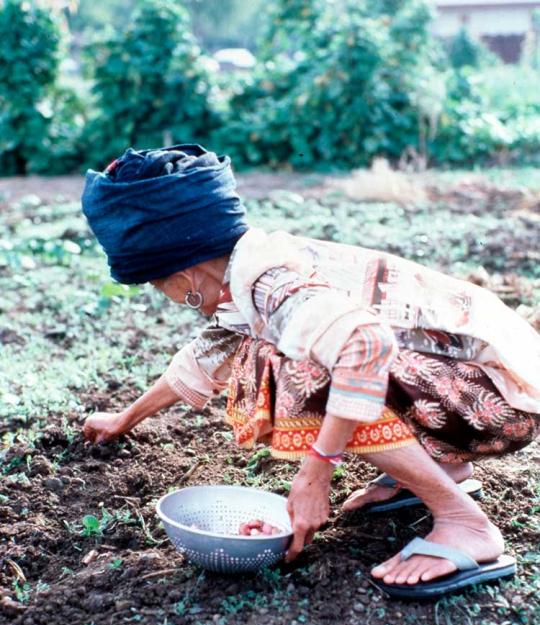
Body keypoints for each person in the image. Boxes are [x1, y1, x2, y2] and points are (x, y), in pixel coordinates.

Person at [81, 144, 540, 598]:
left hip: (498, 405)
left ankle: (463, 521)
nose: (167, 295)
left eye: (160, 286)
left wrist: (317, 471)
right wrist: (124, 419)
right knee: (269, 354)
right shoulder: (245, 274)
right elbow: (205, 356)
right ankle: (439, 468)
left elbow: (367, 343)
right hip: (474, 393)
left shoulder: (272, 283)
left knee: (290, 372)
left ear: (185, 279)